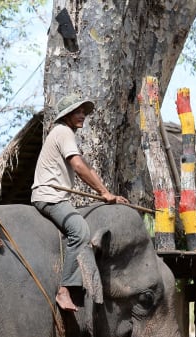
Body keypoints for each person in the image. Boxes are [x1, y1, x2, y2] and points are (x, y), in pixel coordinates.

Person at [31, 93, 129, 311]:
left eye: (84, 111)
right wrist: (104, 192)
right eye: (78, 111)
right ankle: (64, 290)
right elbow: (78, 165)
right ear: (67, 115)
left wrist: (108, 194)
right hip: (50, 197)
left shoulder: (63, 133)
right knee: (81, 231)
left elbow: (87, 167)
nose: (83, 115)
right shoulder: (63, 131)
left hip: (53, 196)